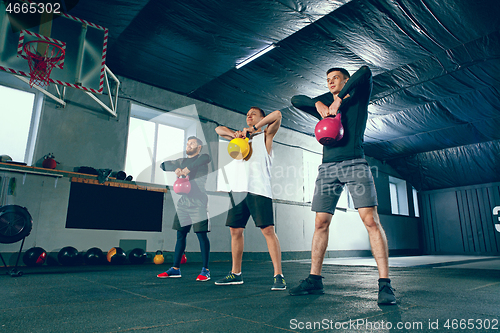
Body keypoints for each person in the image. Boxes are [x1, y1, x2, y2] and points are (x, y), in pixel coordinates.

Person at [288, 66, 396, 305]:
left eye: (335, 78)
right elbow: (296, 100)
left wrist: (338, 101)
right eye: (327, 80)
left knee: (370, 220)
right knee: (320, 222)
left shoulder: (359, 96)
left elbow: (365, 72)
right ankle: (315, 279)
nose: (330, 82)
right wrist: (319, 105)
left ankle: (385, 285)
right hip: (327, 168)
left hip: (355, 163)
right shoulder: (325, 106)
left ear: (346, 81)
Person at [214, 107, 286, 290]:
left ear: (261, 118)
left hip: (259, 190)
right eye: (247, 114)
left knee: (268, 231)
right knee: (235, 231)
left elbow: (277, 114)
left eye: (253, 113)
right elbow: (218, 129)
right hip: (238, 191)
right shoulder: (240, 139)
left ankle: (279, 275)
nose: (249, 115)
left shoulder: (266, 136)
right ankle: (236, 274)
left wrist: (255, 128)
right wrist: (235, 134)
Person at [157, 136, 212, 281]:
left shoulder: (202, 159)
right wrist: (176, 168)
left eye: (192, 143)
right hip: (183, 203)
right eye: (187, 144)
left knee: (201, 234)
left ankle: (205, 270)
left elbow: (206, 157)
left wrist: (187, 169)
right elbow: (163, 165)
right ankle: (175, 269)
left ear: (198, 147)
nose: (189, 146)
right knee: (181, 234)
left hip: (199, 201)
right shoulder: (181, 161)